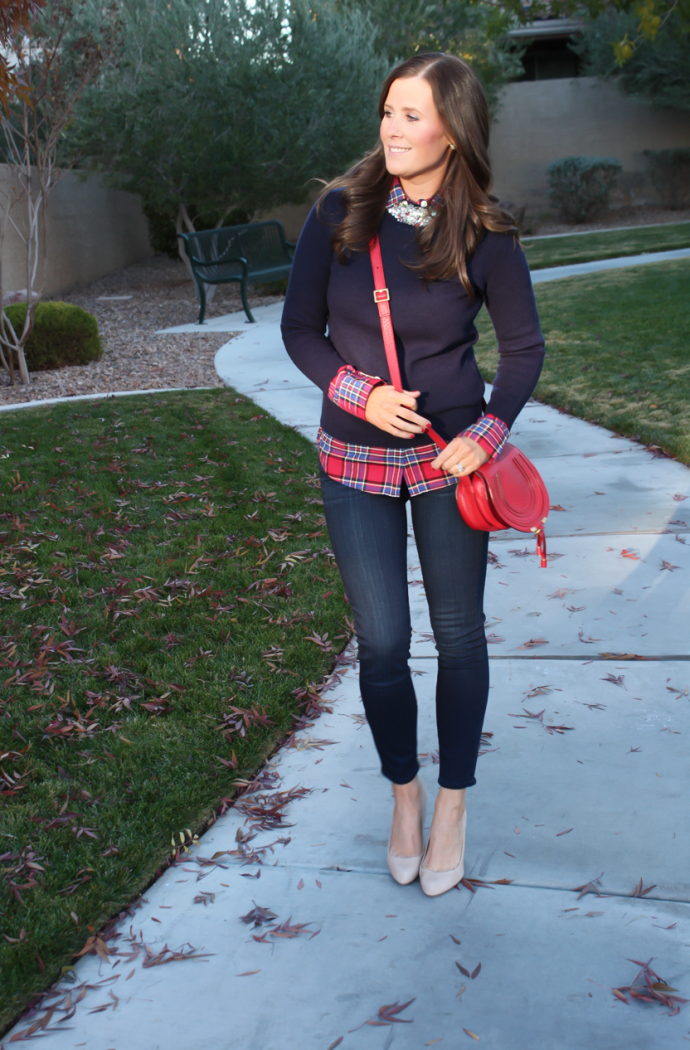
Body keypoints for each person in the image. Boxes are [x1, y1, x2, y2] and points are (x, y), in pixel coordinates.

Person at [281, 52, 544, 896]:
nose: (392, 129)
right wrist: (358, 392)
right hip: (354, 457)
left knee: (460, 635)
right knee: (384, 641)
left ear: (453, 129)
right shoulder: (338, 212)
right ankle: (405, 795)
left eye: (411, 115)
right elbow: (299, 329)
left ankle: (455, 804)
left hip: (448, 460)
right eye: (387, 111)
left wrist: (490, 432)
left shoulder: (487, 234)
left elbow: (524, 351)